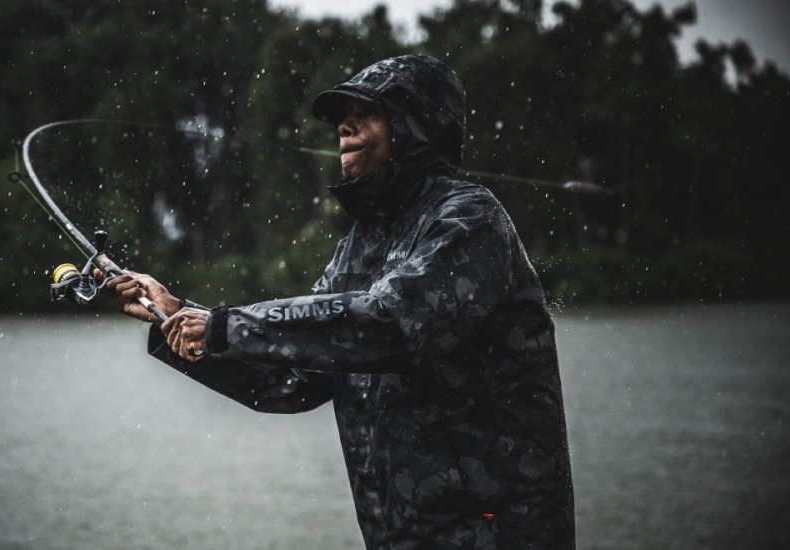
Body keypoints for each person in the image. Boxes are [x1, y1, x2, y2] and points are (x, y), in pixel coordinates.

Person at [105, 55, 575, 549]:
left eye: (365, 112)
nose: (343, 126)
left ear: (417, 126)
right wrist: (176, 317)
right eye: (340, 116)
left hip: (497, 535)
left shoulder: (469, 220)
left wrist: (221, 326)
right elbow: (291, 379)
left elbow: (390, 325)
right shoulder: (359, 244)